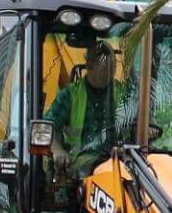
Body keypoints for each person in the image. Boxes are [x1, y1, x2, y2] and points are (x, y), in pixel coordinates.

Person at [46, 41, 125, 177]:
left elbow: (140, 118)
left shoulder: (124, 93)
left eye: (113, 64)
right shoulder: (70, 95)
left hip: (118, 160)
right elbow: (48, 126)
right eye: (105, 65)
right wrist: (58, 150)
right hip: (79, 165)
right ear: (89, 66)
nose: (111, 69)